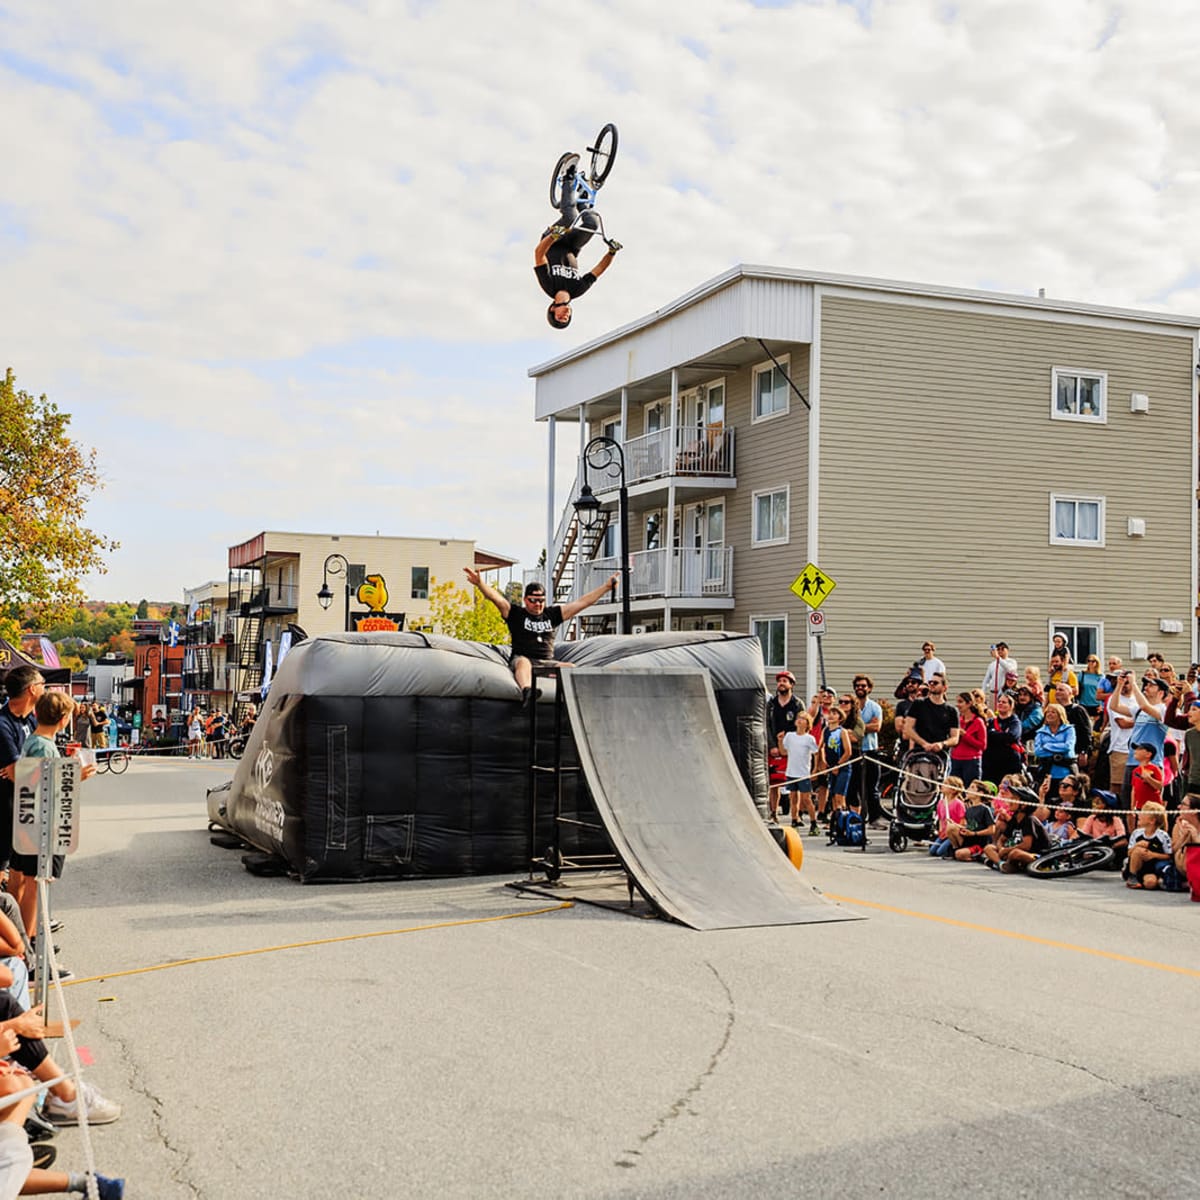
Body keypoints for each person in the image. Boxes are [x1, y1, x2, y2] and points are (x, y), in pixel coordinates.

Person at [10, 693, 96, 945]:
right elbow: (41, 785)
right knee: (37, 883)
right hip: (44, 823)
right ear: (63, 719)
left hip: (30, 820)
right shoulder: (45, 746)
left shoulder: (34, 740)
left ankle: (27, 940)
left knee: (29, 881)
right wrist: (75, 777)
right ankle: (29, 944)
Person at [463, 570, 621, 702]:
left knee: (571, 668)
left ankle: (588, 698)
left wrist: (606, 587)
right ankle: (527, 691)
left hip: (546, 663)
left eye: (541, 600)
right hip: (523, 660)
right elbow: (497, 599)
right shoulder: (517, 614)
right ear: (525, 600)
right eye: (533, 600)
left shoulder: (551, 614)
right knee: (523, 662)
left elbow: (582, 603)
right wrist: (480, 584)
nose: (537, 604)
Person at [534, 156, 621, 329]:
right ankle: (582, 197)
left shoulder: (549, 286)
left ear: (552, 310)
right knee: (591, 224)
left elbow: (539, 254)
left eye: (560, 318)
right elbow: (598, 270)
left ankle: (568, 175)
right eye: (566, 319)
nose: (565, 316)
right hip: (573, 246)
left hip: (553, 240)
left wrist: (553, 236)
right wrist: (611, 253)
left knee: (570, 218)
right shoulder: (577, 289)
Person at [0, 669, 43, 902]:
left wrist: (23, 769)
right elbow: (17, 772)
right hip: (6, 806)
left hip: (28, 805)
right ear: (31, 689)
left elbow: (21, 769)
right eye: (42, 683)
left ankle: (23, 923)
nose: (44, 687)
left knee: (23, 871)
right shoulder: (3, 723)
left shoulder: (31, 719)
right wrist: (24, 769)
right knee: (6, 867)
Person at [899, 673, 960, 763]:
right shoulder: (919, 704)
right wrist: (924, 744)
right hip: (919, 754)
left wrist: (942, 744)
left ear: (944, 688)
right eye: (930, 682)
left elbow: (955, 738)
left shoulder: (951, 711)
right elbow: (908, 728)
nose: (931, 684)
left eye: (935, 683)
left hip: (940, 757)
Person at [777, 712, 819, 833]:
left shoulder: (809, 738)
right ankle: (794, 819)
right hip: (791, 772)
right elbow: (784, 752)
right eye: (798, 718)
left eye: (803, 719)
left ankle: (813, 822)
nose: (799, 720)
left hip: (803, 773)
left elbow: (816, 753)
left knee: (806, 799)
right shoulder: (789, 736)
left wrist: (815, 769)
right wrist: (780, 741)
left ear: (807, 724)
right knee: (793, 798)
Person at [852, 674, 884, 826]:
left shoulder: (875, 707)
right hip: (854, 751)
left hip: (871, 750)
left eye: (863, 686)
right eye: (857, 685)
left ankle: (874, 818)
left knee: (872, 787)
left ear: (869, 688)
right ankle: (857, 817)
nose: (860, 688)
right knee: (855, 785)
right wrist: (866, 726)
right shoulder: (851, 706)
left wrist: (858, 728)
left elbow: (877, 727)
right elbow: (847, 728)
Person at [1032, 703, 1076, 800]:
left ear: (1060, 715)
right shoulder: (1041, 732)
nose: (1049, 714)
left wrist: (1047, 746)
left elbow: (1068, 747)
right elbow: (1038, 751)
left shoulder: (1069, 730)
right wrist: (1058, 749)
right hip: (1047, 772)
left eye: (1053, 712)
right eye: (1048, 712)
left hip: (1065, 771)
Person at [1125, 802, 1172, 889]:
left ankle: (1151, 880)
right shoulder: (1136, 833)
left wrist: (1152, 855)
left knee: (1150, 883)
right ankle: (1132, 876)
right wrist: (1137, 846)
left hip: (1151, 867)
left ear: (1152, 821)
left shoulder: (1163, 836)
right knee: (1139, 850)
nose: (1139, 814)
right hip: (1136, 865)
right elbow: (1129, 853)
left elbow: (1168, 855)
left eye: (1143, 813)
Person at [1078, 788, 1128, 868]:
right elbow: (1084, 835)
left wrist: (1110, 847)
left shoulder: (1116, 820)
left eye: (1098, 803)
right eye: (1094, 802)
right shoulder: (1091, 818)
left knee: (1122, 848)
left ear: (1108, 807)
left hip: (1110, 847)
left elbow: (1122, 839)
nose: (1094, 805)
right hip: (1095, 846)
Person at [982, 692, 1024, 784]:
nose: (1000, 704)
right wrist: (1000, 735)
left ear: (1011, 705)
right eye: (999, 701)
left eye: (1004, 702)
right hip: (990, 763)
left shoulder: (1015, 722)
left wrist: (992, 734)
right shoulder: (991, 722)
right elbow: (984, 736)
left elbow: (1012, 736)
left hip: (1009, 763)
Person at [949, 692, 987, 785]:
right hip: (955, 758)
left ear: (969, 703)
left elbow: (983, 745)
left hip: (971, 760)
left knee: (970, 787)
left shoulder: (978, 721)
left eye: (960, 702)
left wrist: (965, 735)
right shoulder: (958, 720)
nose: (958, 705)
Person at [1129, 741, 1164, 814]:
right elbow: (1134, 789)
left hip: (1153, 806)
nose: (1136, 751)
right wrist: (1132, 805)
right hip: (1139, 806)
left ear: (1148, 754)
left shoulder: (1154, 768)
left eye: (1139, 749)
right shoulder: (1135, 770)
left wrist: (1149, 779)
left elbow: (1159, 786)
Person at [982, 642, 1017, 708]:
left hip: (1004, 693)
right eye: (998, 649)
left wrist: (998, 658)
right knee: (992, 713)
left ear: (1007, 650)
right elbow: (986, 679)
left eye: (1002, 649)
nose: (1000, 651)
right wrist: (983, 691)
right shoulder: (992, 664)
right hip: (993, 693)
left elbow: (1009, 669)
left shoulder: (1012, 662)